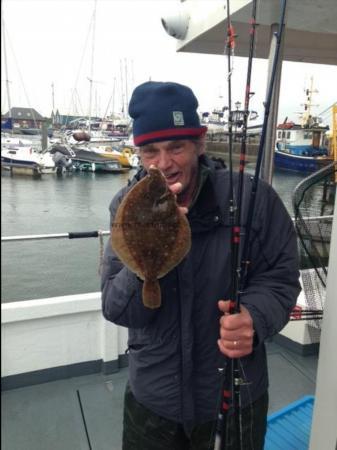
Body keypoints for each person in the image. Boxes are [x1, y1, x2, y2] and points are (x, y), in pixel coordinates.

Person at [101, 81, 301, 450]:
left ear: (200, 142)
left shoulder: (251, 197)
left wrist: (254, 318)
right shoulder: (124, 207)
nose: (164, 164)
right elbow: (116, 307)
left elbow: (282, 278)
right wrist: (144, 250)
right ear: (139, 153)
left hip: (235, 393)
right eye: (150, 151)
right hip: (153, 402)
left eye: (176, 147)